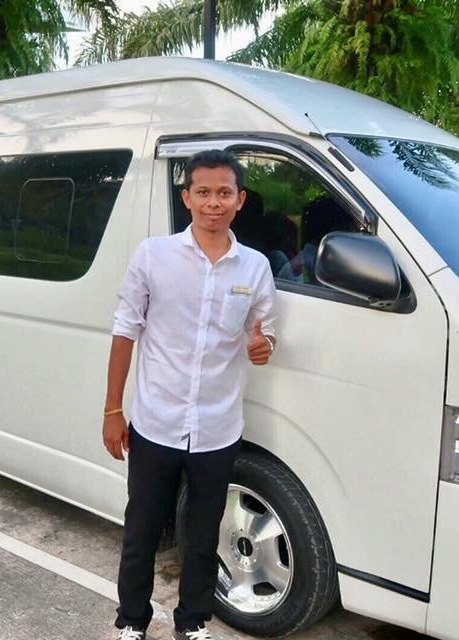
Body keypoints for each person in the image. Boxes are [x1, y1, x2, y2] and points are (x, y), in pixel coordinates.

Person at [103, 149, 278, 640]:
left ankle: (193, 622)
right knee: (141, 529)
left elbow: (263, 331)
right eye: (203, 192)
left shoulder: (254, 268)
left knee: (202, 536)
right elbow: (125, 330)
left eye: (224, 193)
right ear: (187, 198)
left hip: (217, 428)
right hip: (155, 422)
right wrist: (113, 409)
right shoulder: (154, 255)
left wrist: (264, 347)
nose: (213, 203)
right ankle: (132, 621)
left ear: (240, 200)